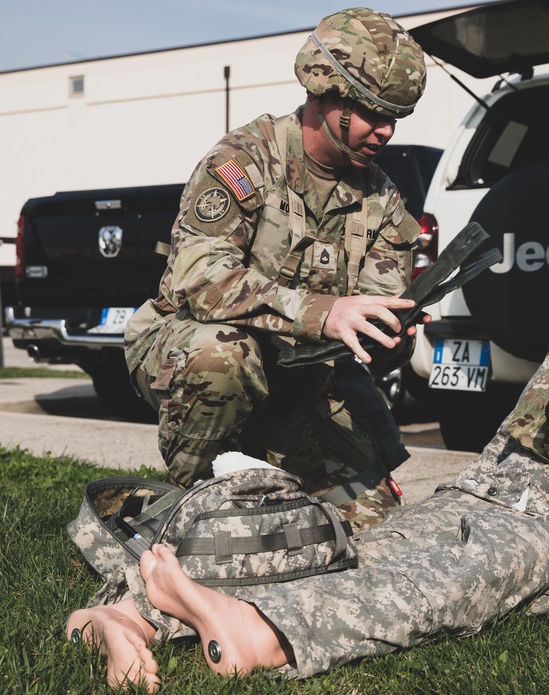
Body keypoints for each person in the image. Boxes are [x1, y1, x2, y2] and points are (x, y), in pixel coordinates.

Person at [67, 217, 549, 690]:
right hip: (488, 496)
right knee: (350, 551)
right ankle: (128, 615)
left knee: (452, 584)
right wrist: (468, 490)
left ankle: (257, 632)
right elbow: (518, 430)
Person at [123, 8, 428, 524]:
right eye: (374, 113)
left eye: (394, 118)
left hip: (305, 381)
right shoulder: (245, 159)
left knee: (378, 528)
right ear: (325, 91)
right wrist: (322, 313)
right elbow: (201, 278)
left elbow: (369, 332)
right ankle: (184, 507)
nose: (386, 132)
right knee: (224, 357)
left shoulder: (382, 201)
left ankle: (267, 467)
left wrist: (394, 338)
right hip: (195, 350)